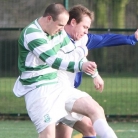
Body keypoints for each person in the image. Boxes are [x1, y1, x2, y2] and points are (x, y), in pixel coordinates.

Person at [13, 3, 118, 138]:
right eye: (60, 25)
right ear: (49, 19)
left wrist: (92, 71)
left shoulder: (59, 32)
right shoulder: (33, 34)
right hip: (38, 91)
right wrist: (82, 54)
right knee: (49, 136)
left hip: (57, 86)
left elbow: (72, 53)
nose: (63, 29)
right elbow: (54, 61)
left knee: (94, 112)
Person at [55, 4, 138, 138]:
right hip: (52, 94)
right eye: (84, 27)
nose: (86, 31)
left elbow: (106, 39)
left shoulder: (82, 39)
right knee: (95, 110)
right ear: (72, 22)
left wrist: (132, 38)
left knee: (89, 128)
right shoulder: (54, 38)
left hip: (66, 94)